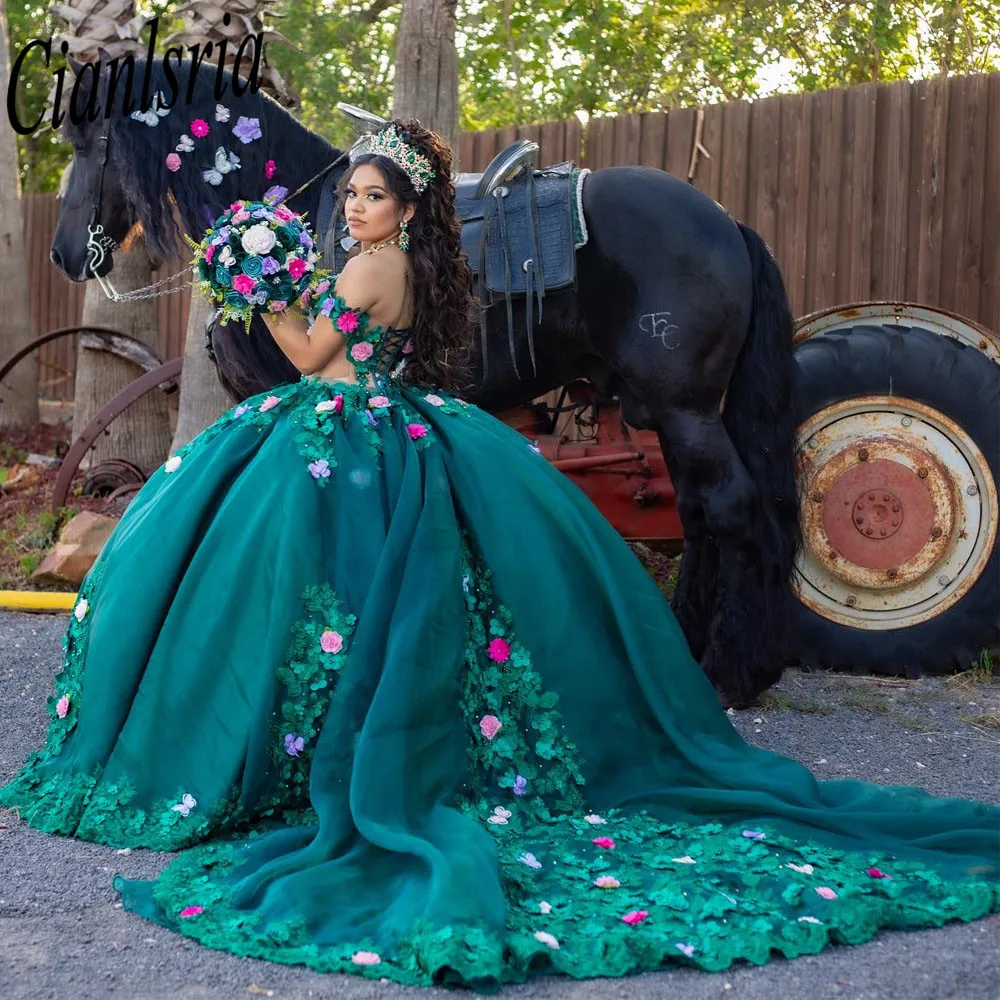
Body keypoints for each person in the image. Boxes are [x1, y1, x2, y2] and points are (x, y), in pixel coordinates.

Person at [2, 119, 997, 990]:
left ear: (406, 207)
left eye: (371, 195)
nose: (353, 206)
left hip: (345, 434)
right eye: (347, 191)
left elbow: (308, 357)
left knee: (308, 599)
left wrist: (255, 286)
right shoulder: (407, 267)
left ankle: (289, 752)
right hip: (394, 425)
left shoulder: (367, 268)